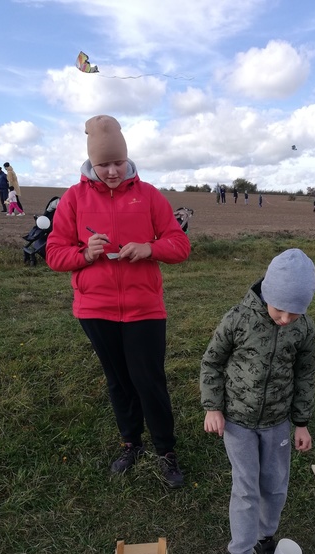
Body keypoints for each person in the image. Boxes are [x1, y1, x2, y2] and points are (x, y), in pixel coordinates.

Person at [46, 115, 191, 487]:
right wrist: (84, 253)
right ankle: (131, 443)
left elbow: (180, 245)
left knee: (149, 381)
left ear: (127, 158)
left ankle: (166, 450)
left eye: (118, 162)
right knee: (119, 381)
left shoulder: (149, 195)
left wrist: (150, 248)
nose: (112, 171)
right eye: (103, 164)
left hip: (145, 308)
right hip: (96, 310)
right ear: (91, 163)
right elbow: (54, 254)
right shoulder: (73, 198)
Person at [200, 248, 315, 554]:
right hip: (237, 422)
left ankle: (266, 538)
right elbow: (211, 362)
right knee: (247, 488)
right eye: (279, 309)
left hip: (277, 423)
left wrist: (301, 423)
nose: (285, 318)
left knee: (275, 485)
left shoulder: (304, 329)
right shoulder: (238, 319)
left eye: (294, 312)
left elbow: (305, 375)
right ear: (267, 293)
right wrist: (213, 407)